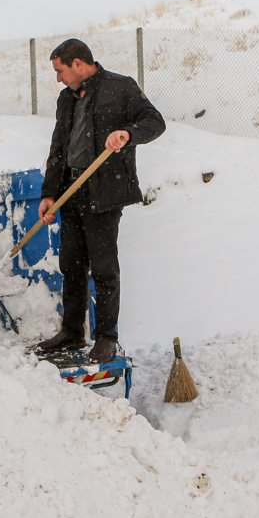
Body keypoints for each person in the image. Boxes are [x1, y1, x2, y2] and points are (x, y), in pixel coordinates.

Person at [35, 39, 165, 364]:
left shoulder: (119, 88)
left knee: (104, 269)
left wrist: (127, 134)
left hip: (104, 193)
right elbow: (58, 149)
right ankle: (72, 331)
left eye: (60, 71)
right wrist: (49, 193)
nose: (58, 78)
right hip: (71, 193)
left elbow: (154, 121)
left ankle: (106, 337)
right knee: (72, 266)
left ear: (78, 64)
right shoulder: (65, 100)